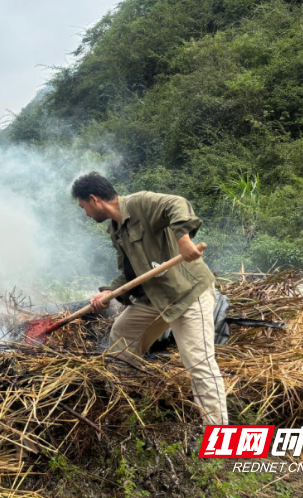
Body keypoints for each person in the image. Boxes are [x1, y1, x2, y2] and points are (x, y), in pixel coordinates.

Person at [72, 172, 229, 426]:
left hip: (187, 293)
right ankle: (127, 408)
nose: (86, 214)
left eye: (84, 207)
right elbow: (131, 274)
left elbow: (176, 203)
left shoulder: (140, 203)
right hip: (155, 297)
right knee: (122, 335)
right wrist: (109, 292)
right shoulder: (116, 230)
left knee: (198, 363)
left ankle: (220, 435)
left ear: (94, 199)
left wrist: (183, 239)